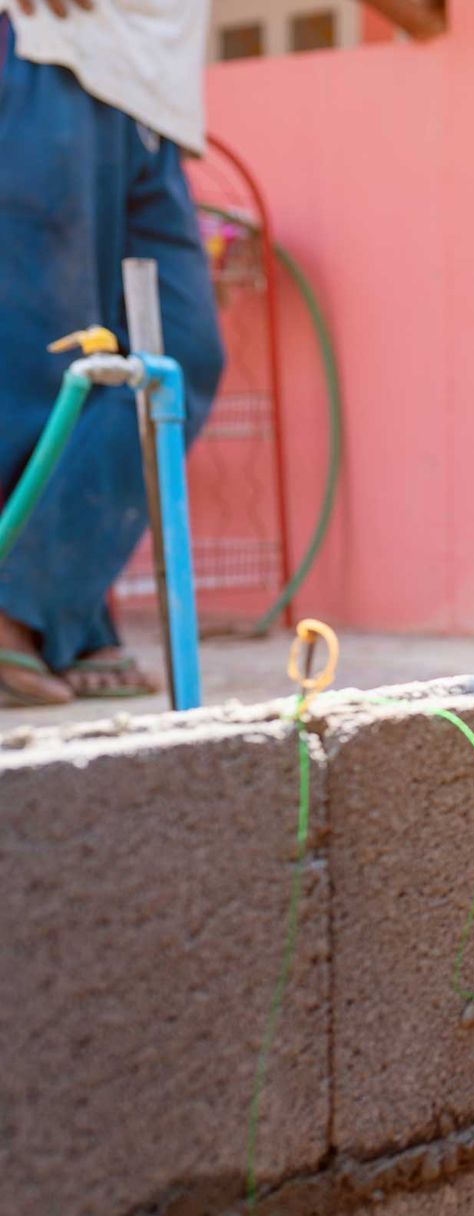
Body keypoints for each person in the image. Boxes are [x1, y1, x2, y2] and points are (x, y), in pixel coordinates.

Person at [0, 0, 223, 706]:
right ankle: (34, 616)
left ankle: (51, 604)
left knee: (179, 355)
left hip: (150, 100)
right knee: (45, 359)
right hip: (52, 64)